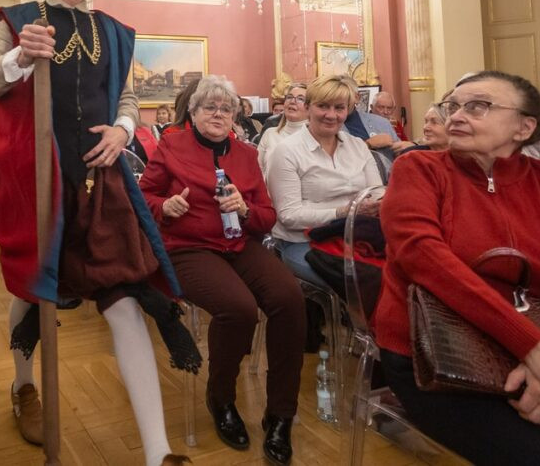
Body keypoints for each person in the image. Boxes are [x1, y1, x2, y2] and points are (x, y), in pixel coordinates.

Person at [0, 0, 197, 466]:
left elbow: (128, 99)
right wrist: (19, 57)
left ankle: (158, 453)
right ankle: (24, 386)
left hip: (100, 181)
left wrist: (121, 129)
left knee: (122, 298)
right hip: (35, 179)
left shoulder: (113, 32)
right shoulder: (16, 22)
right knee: (30, 288)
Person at [375, 70, 540, 464]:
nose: (457, 116)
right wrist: (534, 348)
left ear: (524, 126)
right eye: (453, 106)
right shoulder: (420, 171)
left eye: (478, 106)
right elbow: (424, 258)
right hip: (441, 356)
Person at [139, 75, 305, 465]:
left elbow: (266, 217)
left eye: (226, 108)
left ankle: (281, 413)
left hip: (240, 244)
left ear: (236, 115)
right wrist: (165, 208)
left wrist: (245, 210)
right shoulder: (171, 145)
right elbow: (143, 195)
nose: (218, 114)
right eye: (209, 107)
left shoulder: (247, 154)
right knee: (239, 308)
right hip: (189, 247)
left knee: (289, 299)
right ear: (193, 113)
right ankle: (221, 397)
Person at [266, 74, 383, 286]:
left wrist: (377, 205)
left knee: (401, 269)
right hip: (303, 242)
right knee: (363, 281)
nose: (331, 115)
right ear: (308, 107)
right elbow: (289, 216)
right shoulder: (286, 151)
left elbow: (376, 193)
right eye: (323, 106)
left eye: (339, 108)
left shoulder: (358, 146)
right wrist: (341, 212)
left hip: (355, 235)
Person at [256, 82, 308, 175]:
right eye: (289, 97)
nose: (292, 101)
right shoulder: (270, 133)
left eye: (300, 99)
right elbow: (257, 170)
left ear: (310, 107)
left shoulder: (315, 138)